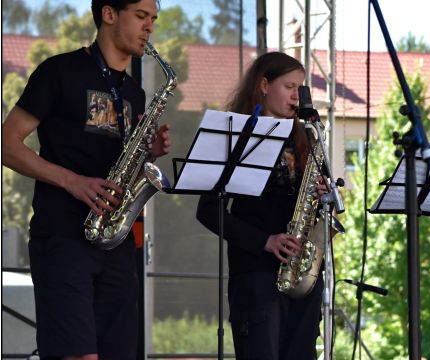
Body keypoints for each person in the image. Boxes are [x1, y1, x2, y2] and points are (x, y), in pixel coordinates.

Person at [1, 1, 171, 359]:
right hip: (63, 236)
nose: (149, 27)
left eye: (153, 19)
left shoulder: (135, 93)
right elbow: (7, 144)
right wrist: (72, 181)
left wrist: (148, 153)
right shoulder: (59, 72)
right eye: (141, 16)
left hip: (116, 243)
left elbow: (120, 162)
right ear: (109, 14)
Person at [196, 52, 327, 360]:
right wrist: (265, 241)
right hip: (256, 275)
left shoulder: (304, 138)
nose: (298, 96)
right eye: (290, 86)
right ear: (264, 85)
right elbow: (207, 211)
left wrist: (321, 197)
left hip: (302, 277)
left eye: (301, 87)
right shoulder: (236, 136)